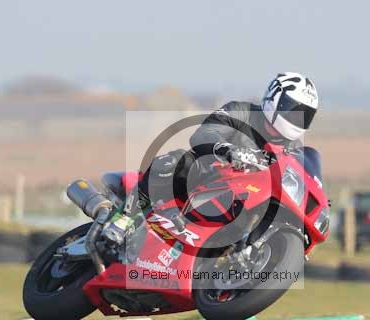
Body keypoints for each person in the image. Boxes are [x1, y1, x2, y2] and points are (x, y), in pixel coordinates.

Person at [121, 72, 321, 228]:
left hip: (246, 199)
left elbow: (301, 181)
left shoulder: (295, 149)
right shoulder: (241, 112)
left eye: (304, 116)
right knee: (174, 162)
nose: (297, 120)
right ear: (275, 99)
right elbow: (203, 134)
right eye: (292, 112)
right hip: (208, 177)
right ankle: (125, 218)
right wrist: (227, 150)